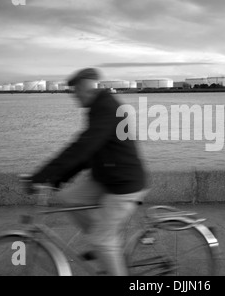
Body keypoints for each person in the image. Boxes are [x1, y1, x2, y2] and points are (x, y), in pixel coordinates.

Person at [29, 67, 148, 276]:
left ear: (86, 88)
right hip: (106, 177)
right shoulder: (97, 108)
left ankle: (105, 244)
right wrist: (56, 179)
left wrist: (41, 176)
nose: (74, 97)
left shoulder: (106, 108)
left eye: (75, 91)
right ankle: (105, 243)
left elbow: (82, 147)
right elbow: (87, 153)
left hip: (124, 184)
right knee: (68, 197)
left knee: (102, 238)